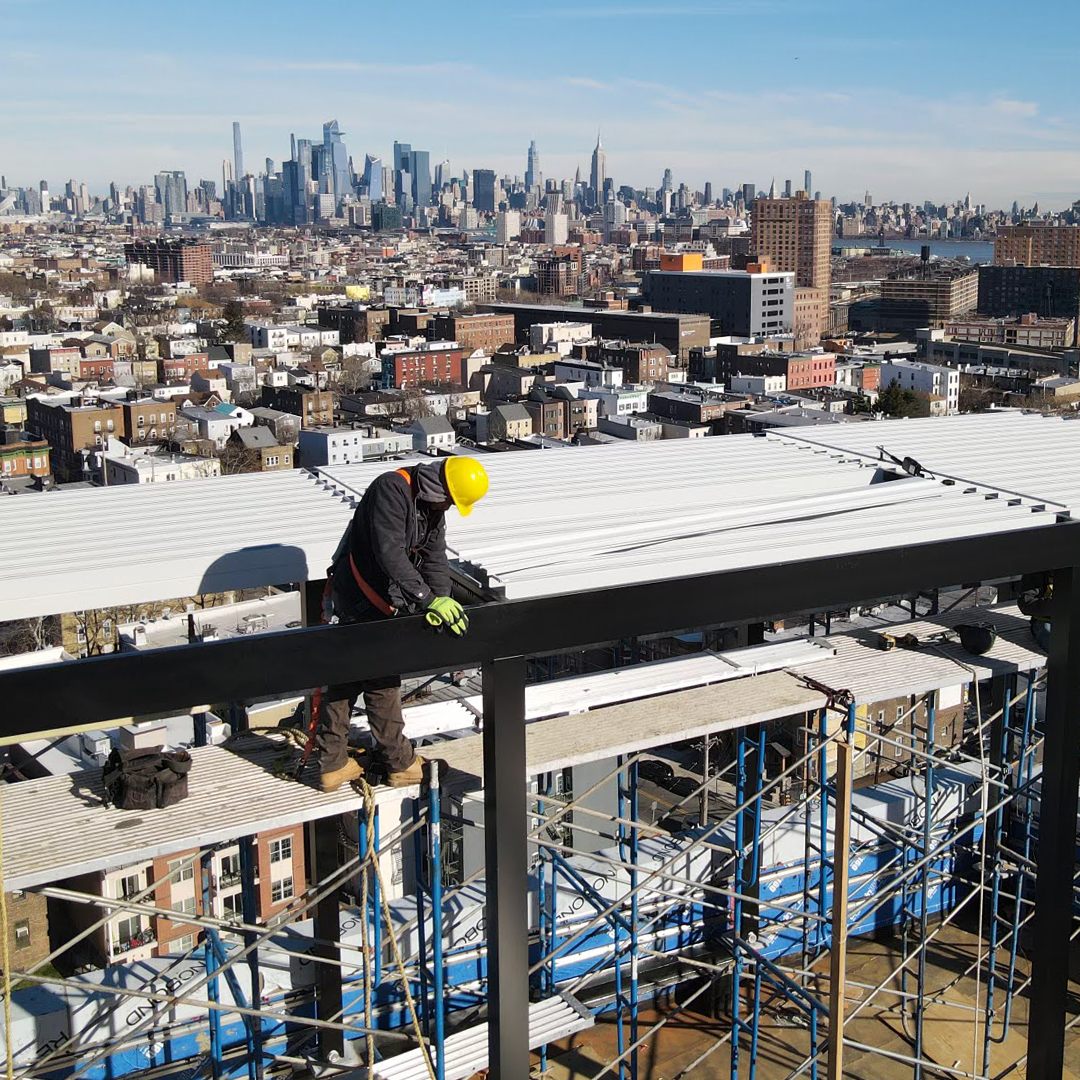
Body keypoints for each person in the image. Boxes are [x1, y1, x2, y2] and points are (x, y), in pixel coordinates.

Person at [318, 456, 489, 792]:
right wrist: (426, 598)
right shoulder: (392, 490)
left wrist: (443, 599)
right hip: (359, 595)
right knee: (378, 679)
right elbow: (389, 553)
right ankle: (397, 762)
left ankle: (334, 761)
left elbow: (435, 557)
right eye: (451, 501)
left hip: (380, 595)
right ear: (440, 489)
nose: (450, 508)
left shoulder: (430, 507)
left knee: (350, 675)